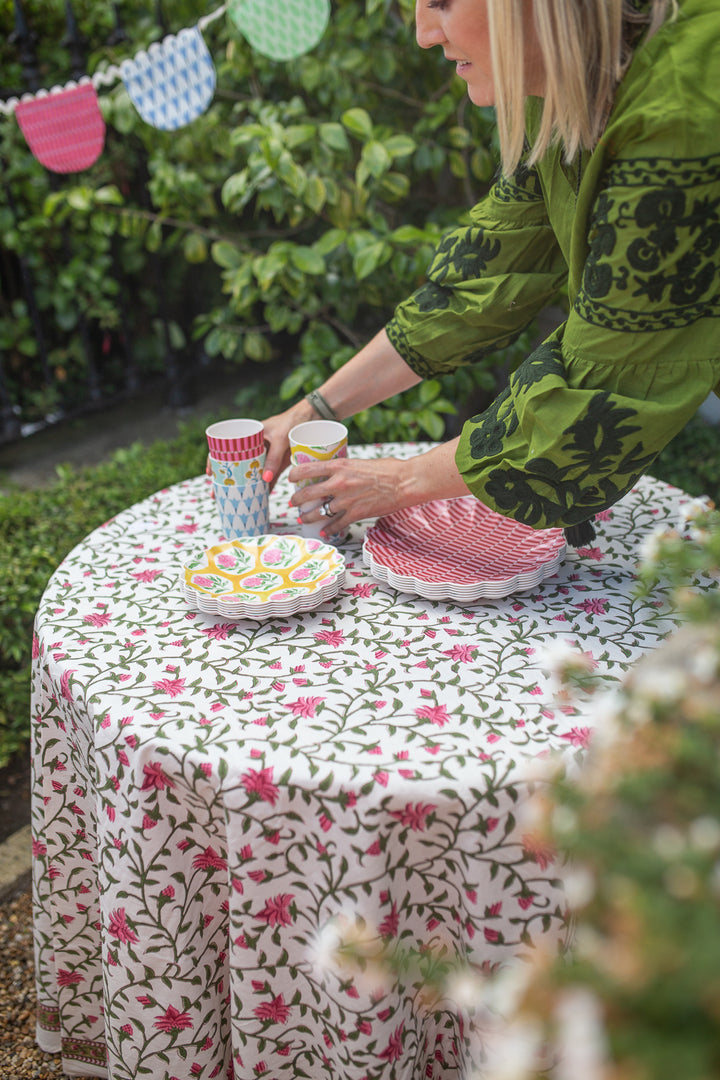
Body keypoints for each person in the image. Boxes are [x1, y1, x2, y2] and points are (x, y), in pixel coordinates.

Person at [261, 0, 720, 545]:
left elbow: (594, 389)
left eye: (441, 3)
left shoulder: (680, 110)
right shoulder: (565, 90)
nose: (424, 35)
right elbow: (480, 282)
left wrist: (402, 481)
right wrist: (314, 408)